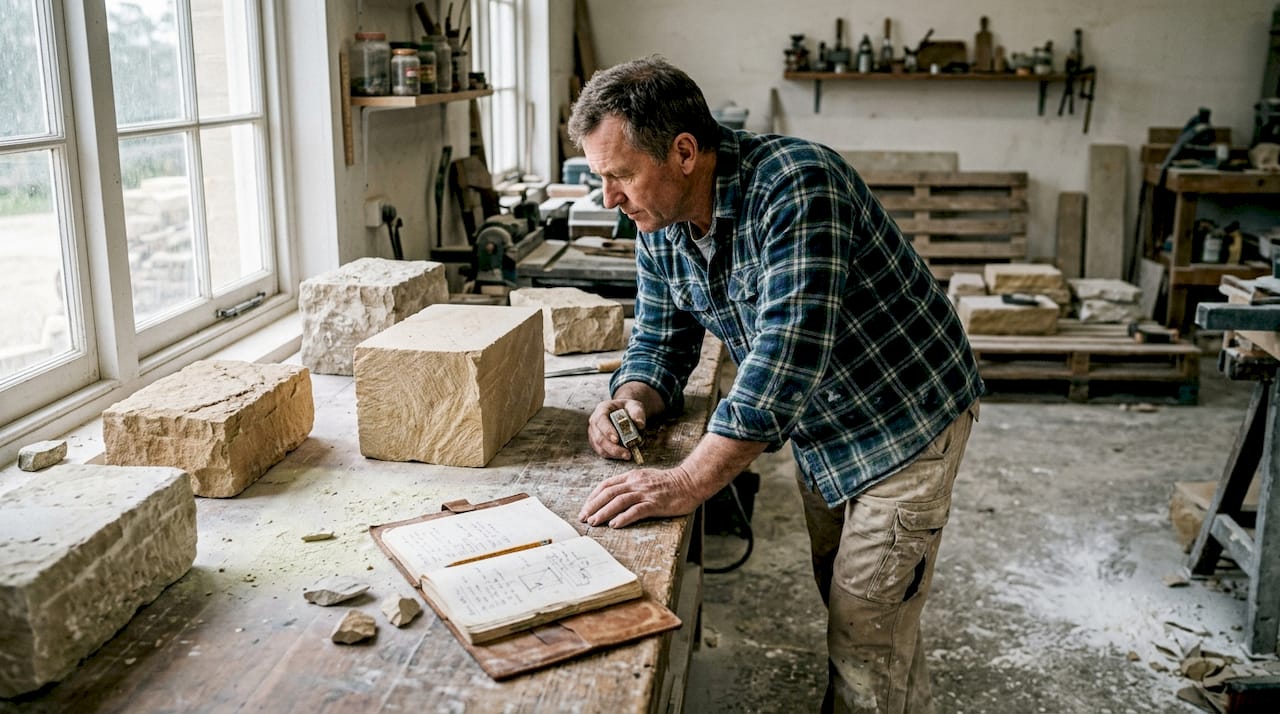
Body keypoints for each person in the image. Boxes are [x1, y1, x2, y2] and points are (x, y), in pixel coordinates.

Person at [568, 55, 983, 714]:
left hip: (906, 417)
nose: (609, 199)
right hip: (825, 422)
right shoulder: (662, 219)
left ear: (683, 153)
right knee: (851, 599)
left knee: (866, 633)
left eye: (619, 175)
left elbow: (781, 364)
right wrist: (632, 398)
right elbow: (659, 340)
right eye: (601, 178)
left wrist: (685, 481)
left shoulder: (798, 186)